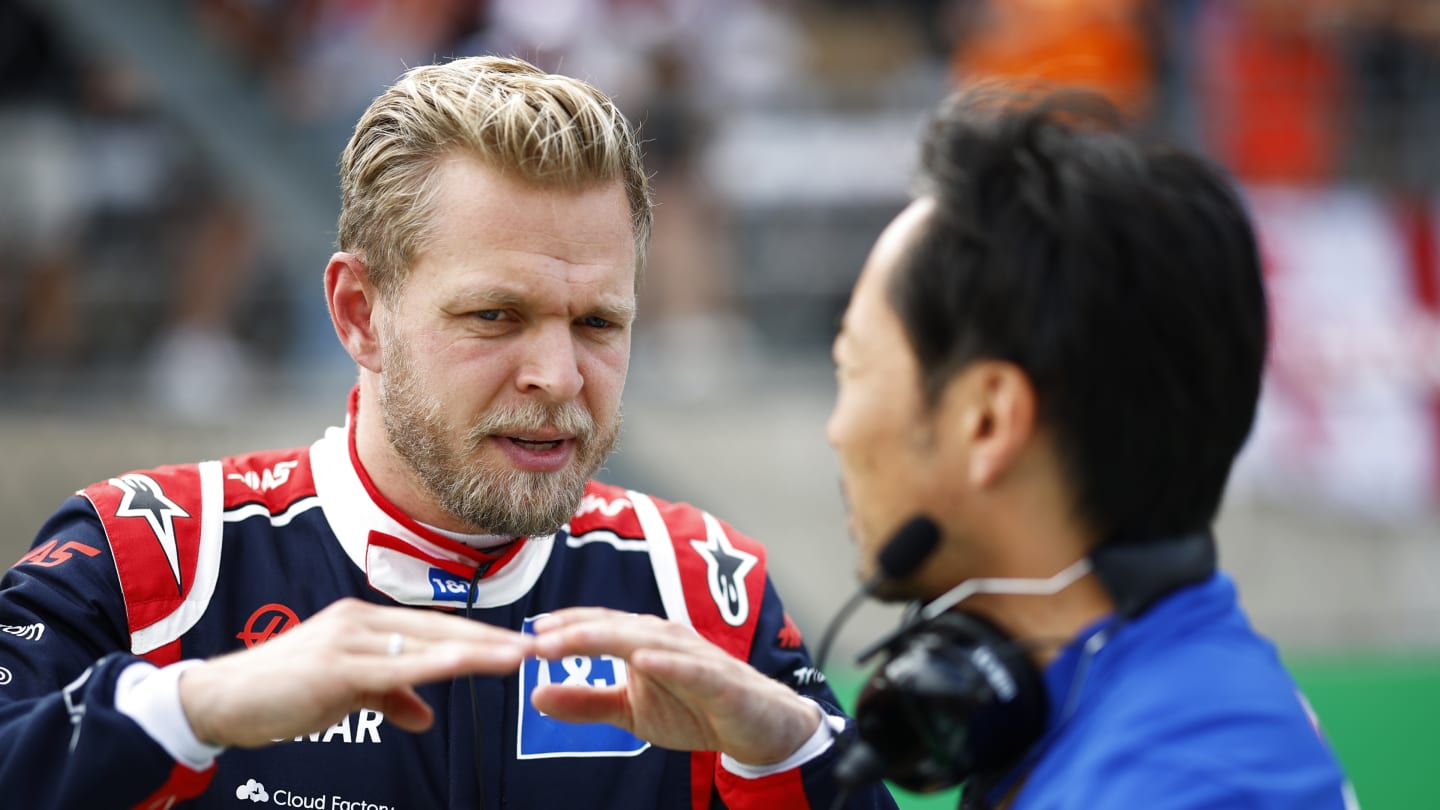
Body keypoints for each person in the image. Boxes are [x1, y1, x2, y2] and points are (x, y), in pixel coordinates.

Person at [0, 56, 896, 810]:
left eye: (597, 324)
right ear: (359, 314)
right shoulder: (151, 556)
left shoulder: (705, 587)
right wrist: (193, 706)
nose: (559, 375)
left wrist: (789, 754)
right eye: (496, 315)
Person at [824, 85, 1357, 808]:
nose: (838, 429)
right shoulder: (1177, 707)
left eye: (852, 370)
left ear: (988, 421)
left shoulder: (1175, 782)